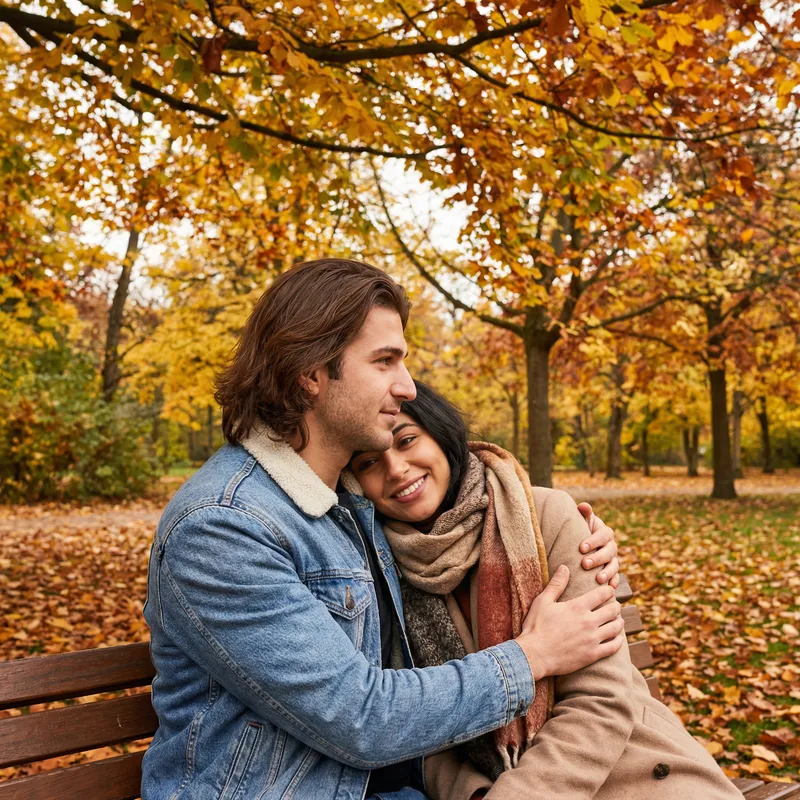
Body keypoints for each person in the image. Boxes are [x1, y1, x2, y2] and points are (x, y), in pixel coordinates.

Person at [141, 258, 625, 800]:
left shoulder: (350, 505)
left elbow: (460, 525)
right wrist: (533, 655)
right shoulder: (223, 526)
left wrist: (572, 534)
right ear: (311, 373)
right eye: (385, 361)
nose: (408, 386)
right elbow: (362, 718)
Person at [347, 381, 744, 800]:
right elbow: (420, 731)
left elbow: (601, 700)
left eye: (407, 440)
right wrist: (474, 792)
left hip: (624, 770)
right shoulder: (375, 570)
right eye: (369, 462)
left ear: (440, 434)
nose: (395, 469)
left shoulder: (545, 517)